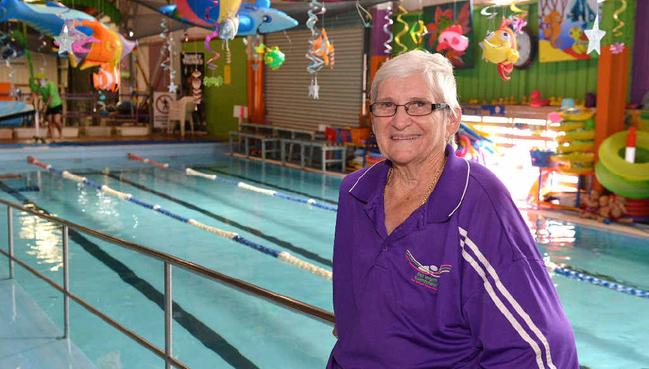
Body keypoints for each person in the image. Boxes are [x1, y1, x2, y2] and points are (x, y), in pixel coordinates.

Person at [327, 50, 578, 369]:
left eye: (420, 105)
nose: (400, 120)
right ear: (373, 116)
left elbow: (546, 348)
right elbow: (351, 316)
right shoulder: (354, 192)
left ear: (452, 119)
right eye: (386, 105)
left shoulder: (478, 201)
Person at [32, 73, 63, 139]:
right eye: (37, 80)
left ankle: (60, 133)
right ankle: (52, 136)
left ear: (43, 80)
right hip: (48, 105)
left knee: (56, 121)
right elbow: (35, 93)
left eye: (39, 80)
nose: (38, 81)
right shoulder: (39, 87)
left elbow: (50, 97)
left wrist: (45, 106)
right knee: (49, 121)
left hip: (56, 104)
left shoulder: (51, 85)